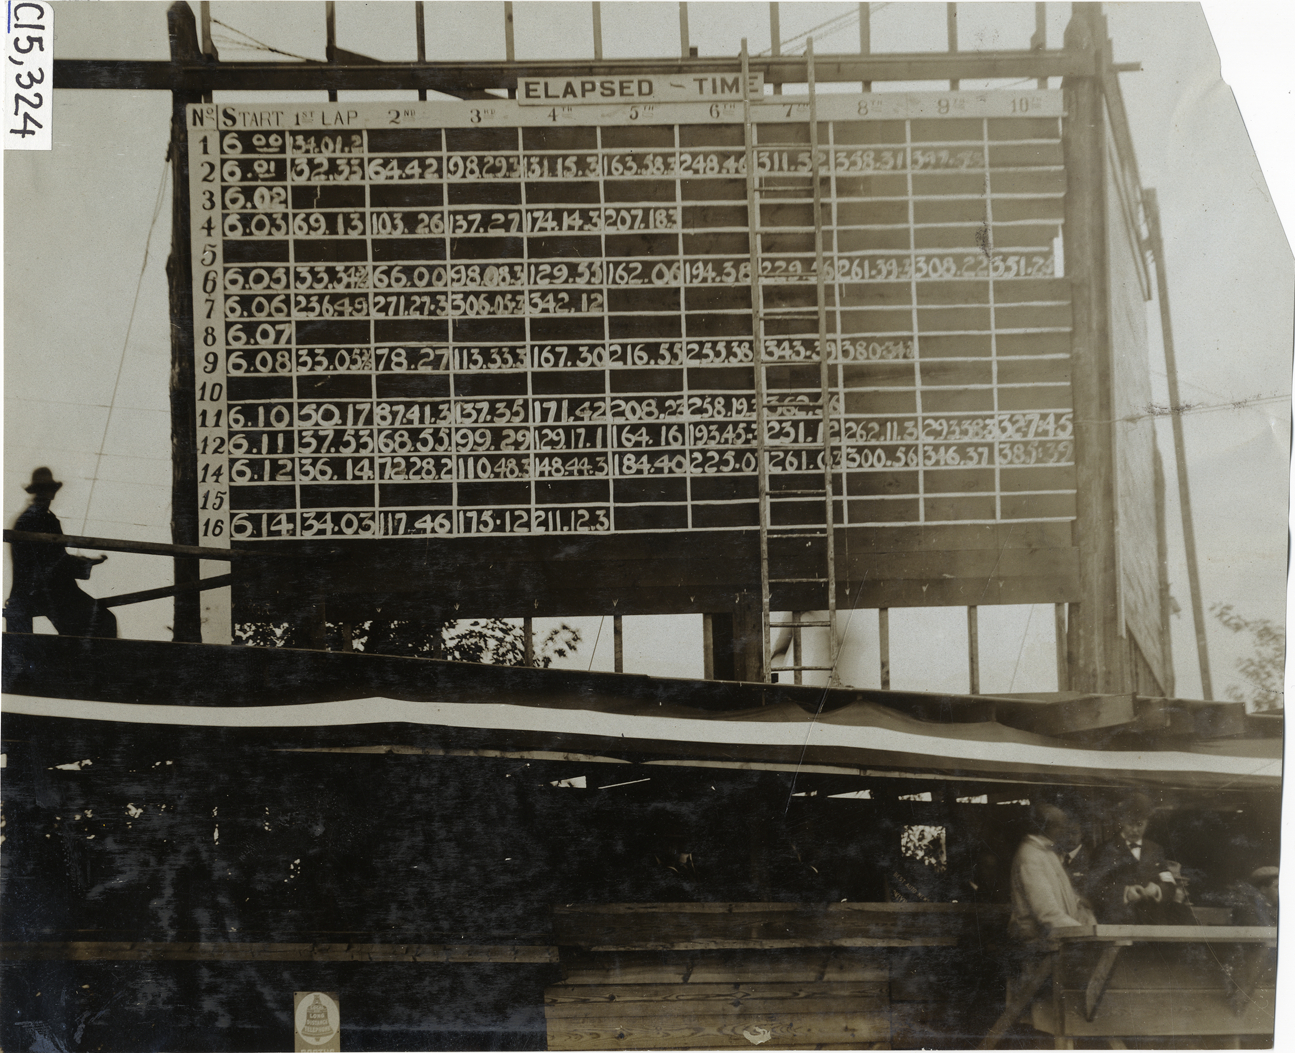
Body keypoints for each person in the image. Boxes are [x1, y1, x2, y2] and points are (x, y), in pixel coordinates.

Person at [4, 467, 116, 638]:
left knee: (98, 622)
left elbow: (55, 558)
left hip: (49, 589)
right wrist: (83, 564)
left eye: (48, 490)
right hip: (46, 591)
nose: (47, 495)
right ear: (36, 493)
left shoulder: (41, 518)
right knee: (103, 621)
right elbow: (48, 562)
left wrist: (83, 563)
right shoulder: (35, 520)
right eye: (42, 490)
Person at [1008, 802, 1097, 942]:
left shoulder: (1047, 852)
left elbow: (1056, 891)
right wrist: (1084, 932)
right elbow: (1047, 913)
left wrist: (1077, 901)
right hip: (1039, 944)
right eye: (1060, 826)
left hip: (1056, 939)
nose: (1064, 832)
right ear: (1046, 827)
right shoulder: (1030, 856)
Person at [1086, 792, 1168, 923]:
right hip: (1118, 922)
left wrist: (1157, 890)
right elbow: (1093, 889)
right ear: (1122, 821)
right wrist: (1124, 893)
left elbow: (1169, 884)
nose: (1135, 830)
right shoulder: (1103, 851)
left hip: (1152, 924)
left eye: (1140, 825)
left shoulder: (1156, 850)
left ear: (1147, 823)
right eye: (1131, 824)